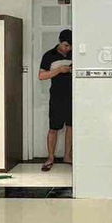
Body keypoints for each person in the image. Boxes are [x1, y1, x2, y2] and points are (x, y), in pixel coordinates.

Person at [38, 29, 73, 171]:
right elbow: (41, 76)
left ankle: (67, 156)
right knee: (53, 128)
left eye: (70, 46)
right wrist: (59, 70)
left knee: (71, 127)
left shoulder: (74, 54)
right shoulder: (49, 55)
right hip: (57, 96)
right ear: (59, 42)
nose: (68, 49)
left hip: (73, 96)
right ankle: (50, 158)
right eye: (66, 45)